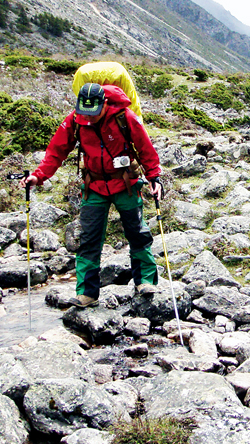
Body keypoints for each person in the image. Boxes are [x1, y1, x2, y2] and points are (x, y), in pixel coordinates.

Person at [20, 82, 163, 308]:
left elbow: (145, 147)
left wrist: (154, 177)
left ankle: (145, 280)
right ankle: (86, 293)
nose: (90, 118)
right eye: (85, 113)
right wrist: (39, 176)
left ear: (105, 104)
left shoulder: (124, 117)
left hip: (125, 183)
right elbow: (56, 151)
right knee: (88, 239)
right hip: (94, 185)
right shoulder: (76, 120)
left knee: (137, 233)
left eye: (94, 113)